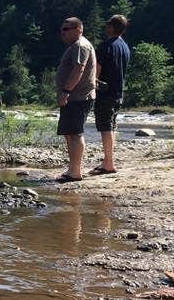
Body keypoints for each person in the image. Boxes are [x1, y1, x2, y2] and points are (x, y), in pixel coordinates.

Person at [55, 17, 97, 182]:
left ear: (78, 29)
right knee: (69, 133)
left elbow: (79, 69)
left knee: (75, 133)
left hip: (78, 97)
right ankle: (73, 169)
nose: (62, 33)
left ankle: (76, 172)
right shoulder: (77, 46)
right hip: (74, 97)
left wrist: (66, 91)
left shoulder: (80, 45)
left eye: (66, 29)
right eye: (61, 29)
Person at [91, 14, 130, 174]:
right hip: (118, 92)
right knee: (111, 125)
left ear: (112, 27)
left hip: (105, 92)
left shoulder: (106, 46)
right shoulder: (125, 47)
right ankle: (108, 160)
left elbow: (96, 70)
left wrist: (92, 86)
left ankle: (109, 163)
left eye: (108, 24)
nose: (106, 27)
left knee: (105, 127)